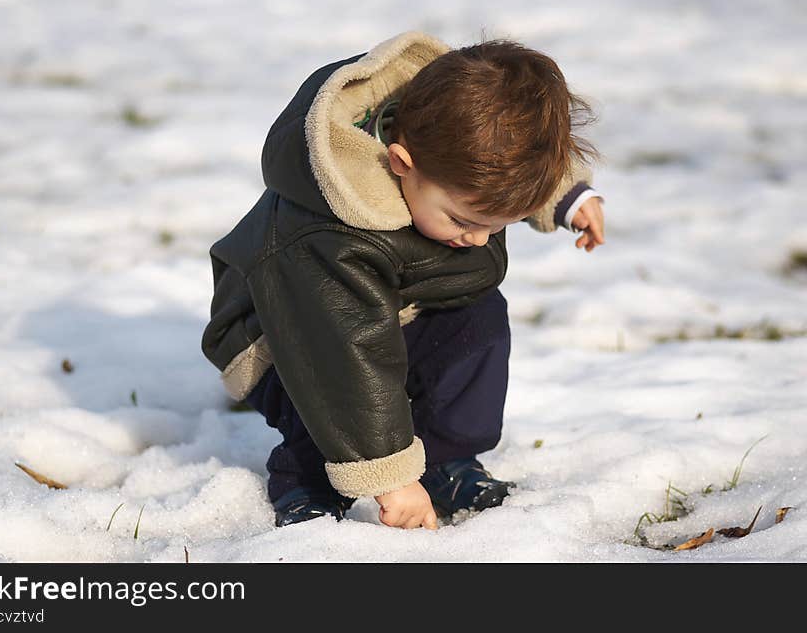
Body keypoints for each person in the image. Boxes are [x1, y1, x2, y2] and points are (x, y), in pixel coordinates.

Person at [201, 31, 605, 530]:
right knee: (327, 395)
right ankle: (307, 484)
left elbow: (508, 160)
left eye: (494, 226)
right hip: (286, 334)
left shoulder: (447, 147)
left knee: (477, 318)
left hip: (395, 305)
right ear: (400, 164)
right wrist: (391, 478)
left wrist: (565, 197)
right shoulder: (330, 233)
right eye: (463, 221)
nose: (479, 240)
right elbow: (346, 359)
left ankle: (443, 459)